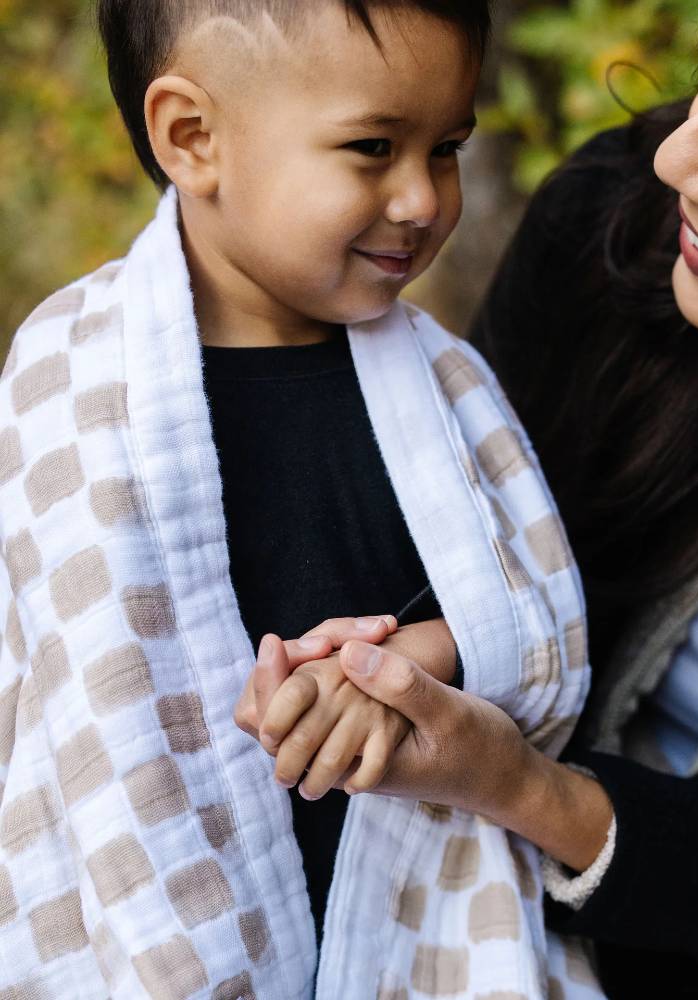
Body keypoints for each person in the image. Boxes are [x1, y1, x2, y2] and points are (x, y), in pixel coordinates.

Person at [242, 0, 698, 995]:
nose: (677, 160)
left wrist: (522, 785)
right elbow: (476, 528)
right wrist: (437, 645)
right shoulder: (611, 229)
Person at [0, 2, 597, 997]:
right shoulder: (69, 377)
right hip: (161, 926)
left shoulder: (450, 388)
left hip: (411, 919)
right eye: (373, 147)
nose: (420, 198)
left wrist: (414, 665)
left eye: (446, 147)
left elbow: (539, 623)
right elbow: (65, 697)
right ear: (194, 137)